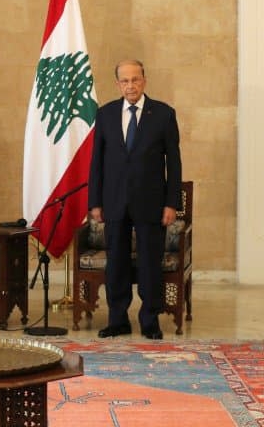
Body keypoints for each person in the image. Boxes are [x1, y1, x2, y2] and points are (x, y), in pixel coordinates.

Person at [88, 60, 182, 339]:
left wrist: (171, 203)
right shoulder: (105, 114)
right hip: (114, 201)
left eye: (135, 80)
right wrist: (95, 202)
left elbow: (174, 164)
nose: (131, 86)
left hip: (151, 202)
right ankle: (117, 319)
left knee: (149, 263)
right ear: (117, 84)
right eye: (125, 81)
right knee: (116, 262)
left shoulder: (163, 114)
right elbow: (97, 163)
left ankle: (150, 320)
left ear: (144, 80)